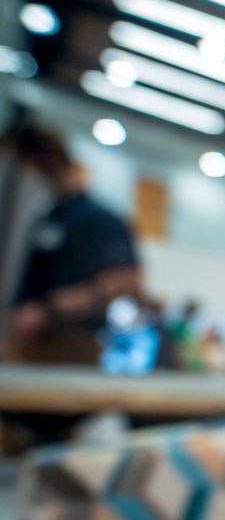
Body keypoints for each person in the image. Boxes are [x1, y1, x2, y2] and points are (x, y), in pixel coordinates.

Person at [2, 122, 143, 363]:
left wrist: (48, 310)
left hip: (70, 344)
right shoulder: (46, 216)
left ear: (45, 161)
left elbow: (127, 281)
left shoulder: (97, 218)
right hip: (22, 340)